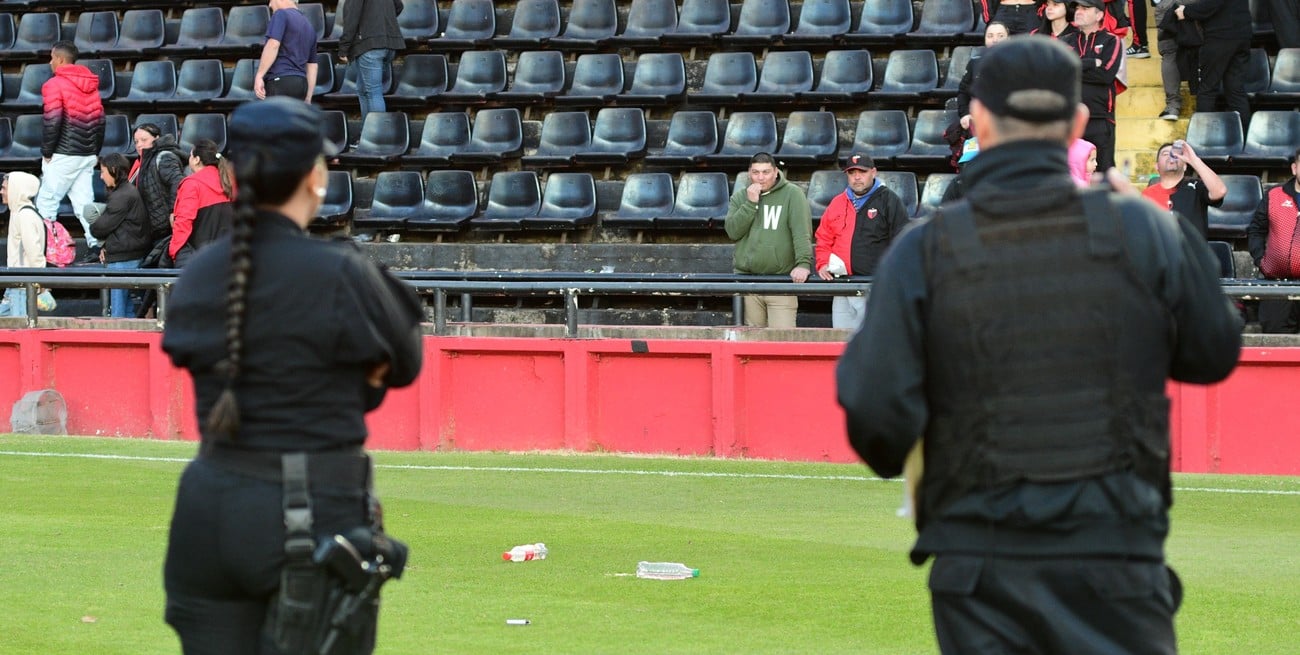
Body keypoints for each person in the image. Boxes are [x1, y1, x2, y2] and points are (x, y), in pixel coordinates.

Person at [837, 35, 1243, 655]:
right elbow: (1213, 350)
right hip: (1112, 552)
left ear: (979, 124)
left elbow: (873, 411)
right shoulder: (1140, 229)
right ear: (1078, 123)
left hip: (981, 563)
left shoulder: (926, 248)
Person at [161, 97, 424, 653]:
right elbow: (405, 362)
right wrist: (351, 383)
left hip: (208, 507)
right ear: (316, 178)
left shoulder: (199, 273)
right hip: (309, 510)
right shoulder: (343, 272)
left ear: (231, 175)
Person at [813, 153, 911, 330]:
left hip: (875, 286)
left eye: (862, 172)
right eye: (852, 173)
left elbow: (903, 239)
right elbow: (824, 236)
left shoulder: (889, 200)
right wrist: (823, 263)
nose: (857, 177)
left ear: (873, 172)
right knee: (840, 342)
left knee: (874, 343)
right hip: (842, 285)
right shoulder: (837, 202)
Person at [724, 152, 813, 328]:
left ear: (775, 172)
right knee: (752, 346)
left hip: (780, 282)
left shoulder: (793, 194)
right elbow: (732, 232)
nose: (761, 177)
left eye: (766, 172)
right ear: (749, 173)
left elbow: (801, 232)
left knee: (782, 342)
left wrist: (803, 263)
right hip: (747, 281)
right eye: (756, 172)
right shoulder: (740, 197)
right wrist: (750, 204)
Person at [36, 41, 104, 263]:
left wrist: (47, 151)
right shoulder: (90, 84)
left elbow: (52, 121)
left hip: (63, 153)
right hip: (86, 154)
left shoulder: (54, 85)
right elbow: (100, 120)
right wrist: (94, 151)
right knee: (85, 204)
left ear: (61, 60)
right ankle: (96, 247)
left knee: (46, 203)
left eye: (52, 57)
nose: (50, 62)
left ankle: (46, 250)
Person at [85, 154, 151, 318]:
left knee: (118, 312)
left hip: (123, 259)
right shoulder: (125, 192)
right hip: (127, 253)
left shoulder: (122, 196)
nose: (100, 176)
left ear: (113, 170)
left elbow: (100, 228)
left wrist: (94, 226)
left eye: (103, 172)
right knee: (126, 308)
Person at [1064, 0, 1123, 172]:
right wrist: (1091, 63)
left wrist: (1074, 67)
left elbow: (1105, 75)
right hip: (1069, 117)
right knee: (1070, 172)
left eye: (1085, 8)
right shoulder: (1065, 41)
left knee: (1103, 173)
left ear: (1099, 15)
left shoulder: (1112, 41)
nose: (1078, 11)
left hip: (1100, 117)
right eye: (1077, 8)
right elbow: (1060, 71)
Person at [1247, 147, 1300, 333]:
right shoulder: (1274, 195)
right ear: (1294, 168)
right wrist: (1262, 261)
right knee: (1276, 337)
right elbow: (1255, 230)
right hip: (1278, 283)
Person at [1176, 0, 1251, 117]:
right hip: (1242, 35)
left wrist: (1186, 11)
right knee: (1235, 90)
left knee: (1207, 89)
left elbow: (1211, 4)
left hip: (1220, 37)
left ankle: (1202, 134)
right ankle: (1245, 133)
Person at [169, 139, 236, 267]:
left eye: (190, 155)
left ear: (197, 159)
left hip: (201, 258)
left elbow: (184, 222)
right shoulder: (230, 180)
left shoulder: (192, 184)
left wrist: (174, 251)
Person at [1141, 140, 1227, 238]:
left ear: (1185, 166)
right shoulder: (1147, 194)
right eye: (1165, 154)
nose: (1171, 156)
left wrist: (1194, 160)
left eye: (1176, 154)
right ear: (1156, 166)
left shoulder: (1196, 186)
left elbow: (1220, 191)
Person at [338, 0, 405, 125]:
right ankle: (367, 135)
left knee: (373, 92)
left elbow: (352, 16)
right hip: (389, 44)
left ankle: (378, 137)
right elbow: (399, 6)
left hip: (370, 45)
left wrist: (344, 48)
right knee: (362, 89)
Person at [129, 123, 186, 243]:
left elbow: (178, 183)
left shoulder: (164, 157)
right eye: (136, 141)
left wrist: (173, 211)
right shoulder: (143, 160)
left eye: (144, 140)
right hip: (151, 229)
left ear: (157, 138)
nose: (139, 145)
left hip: (164, 229)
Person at [0, 172, 47, 317]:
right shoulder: (19, 213)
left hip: (21, 287)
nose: (1, 191)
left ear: (16, 190)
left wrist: (41, 282)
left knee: (20, 330)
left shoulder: (24, 216)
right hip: (15, 284)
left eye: (4, 188)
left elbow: (34, 253)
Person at [255, 0, 319, 102]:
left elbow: (273, 44)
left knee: (275, 118)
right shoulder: (309, 25)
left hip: (280, 80)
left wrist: (259, 75)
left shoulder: (281, 14)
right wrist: (308, 97)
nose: (270, 5)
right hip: (301, 84)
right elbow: (312, 65)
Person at [977, 0, 1043, 34]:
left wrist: (1042, 15)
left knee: (1033, 48)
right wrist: (989, 18)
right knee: (998, 48)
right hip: (1003, 10)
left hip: (1030, 10)